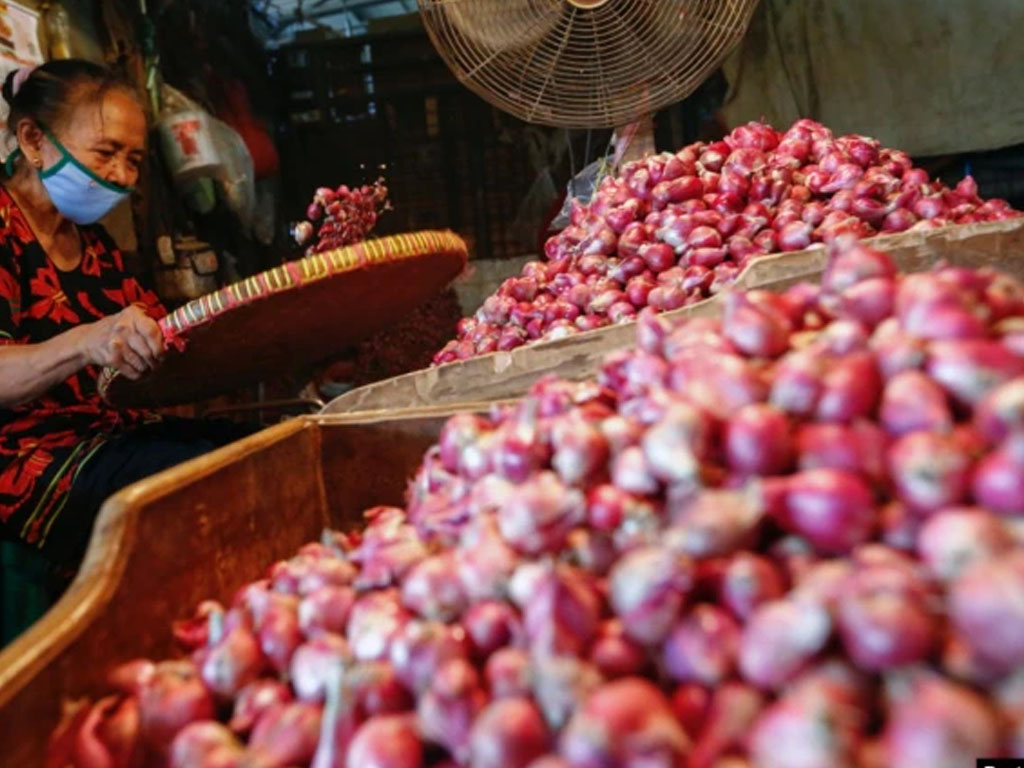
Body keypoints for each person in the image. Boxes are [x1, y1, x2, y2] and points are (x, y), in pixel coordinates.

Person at [0, 60, 251, 645]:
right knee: (199, 485)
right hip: (24, 462)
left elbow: (162, 337)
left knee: (247, 450)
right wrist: (87, 342)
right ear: (34, 140)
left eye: (134, 160)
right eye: (106, 152)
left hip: (105, 438)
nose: (121, 175)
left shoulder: (93, 244)